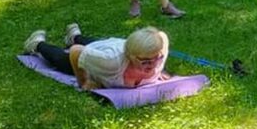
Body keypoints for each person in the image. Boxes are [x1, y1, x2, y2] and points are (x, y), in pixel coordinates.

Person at [23, 24, 170, 90]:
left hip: (110, 45)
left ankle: (75, 36)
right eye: (146, 61)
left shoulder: (158, 51)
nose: (153, 64)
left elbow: (161, 36)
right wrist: (84, 81)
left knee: (97, 44)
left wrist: (159, 70)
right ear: (131, 57)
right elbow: (76, 52)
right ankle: (37, 44)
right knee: (62, 61)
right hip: (106, 55)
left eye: (158, 58)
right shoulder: (110, 62)